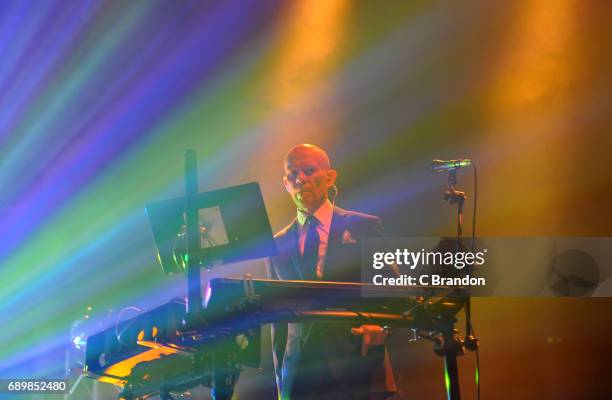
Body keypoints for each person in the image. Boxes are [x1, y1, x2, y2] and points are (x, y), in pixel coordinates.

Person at [267, 144, 397, 400]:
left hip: (359, 363)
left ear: (329, 178)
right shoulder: (277, 244)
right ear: (285, 184)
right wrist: (282, 382)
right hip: (300, 374)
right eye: (292, 174)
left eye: (309, 170)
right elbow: (276, 319)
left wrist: (379, 326)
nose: (300, 179)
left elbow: (391, 289)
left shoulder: (363, 226)